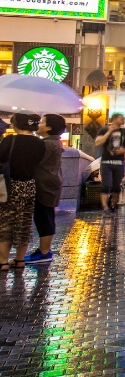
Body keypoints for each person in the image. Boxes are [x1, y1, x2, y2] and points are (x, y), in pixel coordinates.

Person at [0, 113, 45, 269]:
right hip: (29, 185)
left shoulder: (9, 141)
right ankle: (20, 260)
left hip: (10, 186)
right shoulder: (40, 144)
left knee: (6, 222)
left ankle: (3, 261)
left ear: (17, 124)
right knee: (24, 222)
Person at [24, 114, 66, 266]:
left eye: (42, 122)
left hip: (45, 185)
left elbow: (33, 161)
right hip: (49, 184)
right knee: (45, 216)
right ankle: (43, 251)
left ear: (49, 127)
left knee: (44, 217)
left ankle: (44, 252)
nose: (38, 125)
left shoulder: (48, 144)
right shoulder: (52, 142)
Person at [94, 114, 125, 212]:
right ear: (114, 119)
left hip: (119, 162)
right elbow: (97, 143)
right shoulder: (104, 130)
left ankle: (113, 205)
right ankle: (105, 207)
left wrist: (124, 150)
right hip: (106, 162)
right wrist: (109, 131)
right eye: (120, 118)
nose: (123, 119)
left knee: (116, 186)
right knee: (106, 185)